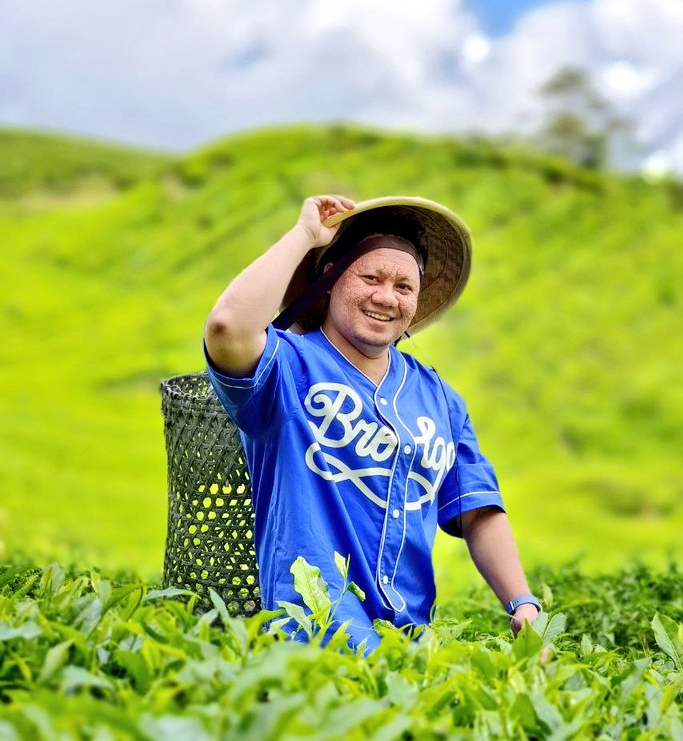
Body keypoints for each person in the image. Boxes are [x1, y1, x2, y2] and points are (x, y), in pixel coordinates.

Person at [203, 194, 541, 651]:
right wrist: (305, 236)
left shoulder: (441, 400)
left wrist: (522, 603)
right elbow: (227, 326)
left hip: (410, 642)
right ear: (331, 280)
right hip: (312, 631)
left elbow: (478, 511)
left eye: (404, 287)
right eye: (370, 277)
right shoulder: (286, 367)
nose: (386, 297)